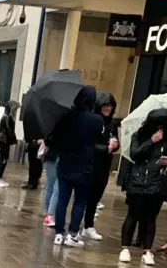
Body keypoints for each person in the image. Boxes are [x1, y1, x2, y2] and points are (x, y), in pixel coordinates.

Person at [119, 108, 167, 265]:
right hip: (138, 181)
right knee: (132, 215)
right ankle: (125, 248)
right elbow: (135, 154)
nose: (160, 128)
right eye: (158, 124)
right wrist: (151, 141)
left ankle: (147, 251)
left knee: (150, 219)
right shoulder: (139, 135)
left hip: (157, 183)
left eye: (163, 125)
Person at [52, 85, 104, 248]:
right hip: (85, 165)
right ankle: (73, 234)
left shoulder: (65, 117)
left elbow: (56, 137)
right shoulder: (96, 120)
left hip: (65, 163)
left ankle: (59, 233)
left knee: (62, 199)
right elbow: (99, 140)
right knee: (80, 201)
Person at [82, 92, 119, 241]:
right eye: (105, 105)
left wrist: (114, 146)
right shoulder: (92, 121)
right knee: (83, 197)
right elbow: (88, 144)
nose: (108, 108)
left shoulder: (113, 124)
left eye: (110, 106)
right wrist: (105, 148)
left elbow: (115, 142)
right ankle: (76, 226)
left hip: (104, 166)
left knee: (96, 197)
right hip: (90, 163)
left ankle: (88, 226)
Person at [41, 137, 59, 227]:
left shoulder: (50, 126)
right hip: (59, 158)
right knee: (57, 189)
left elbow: (47, 140)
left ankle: (48, 214)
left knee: (50, 187)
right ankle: (50, 215)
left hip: (50, 157)